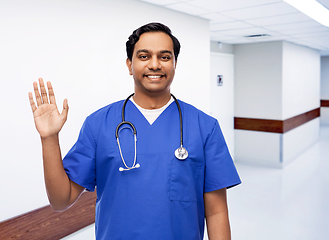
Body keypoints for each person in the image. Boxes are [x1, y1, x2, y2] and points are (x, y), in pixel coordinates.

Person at [29, 22, 241, 240]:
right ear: (129, 65)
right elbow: (60, 200)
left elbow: (216, 212)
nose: (155, 64)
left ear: (175, 63)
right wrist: (49, 138)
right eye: (144, 56)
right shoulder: (98, 124)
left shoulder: (204, 127)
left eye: (165, 57)